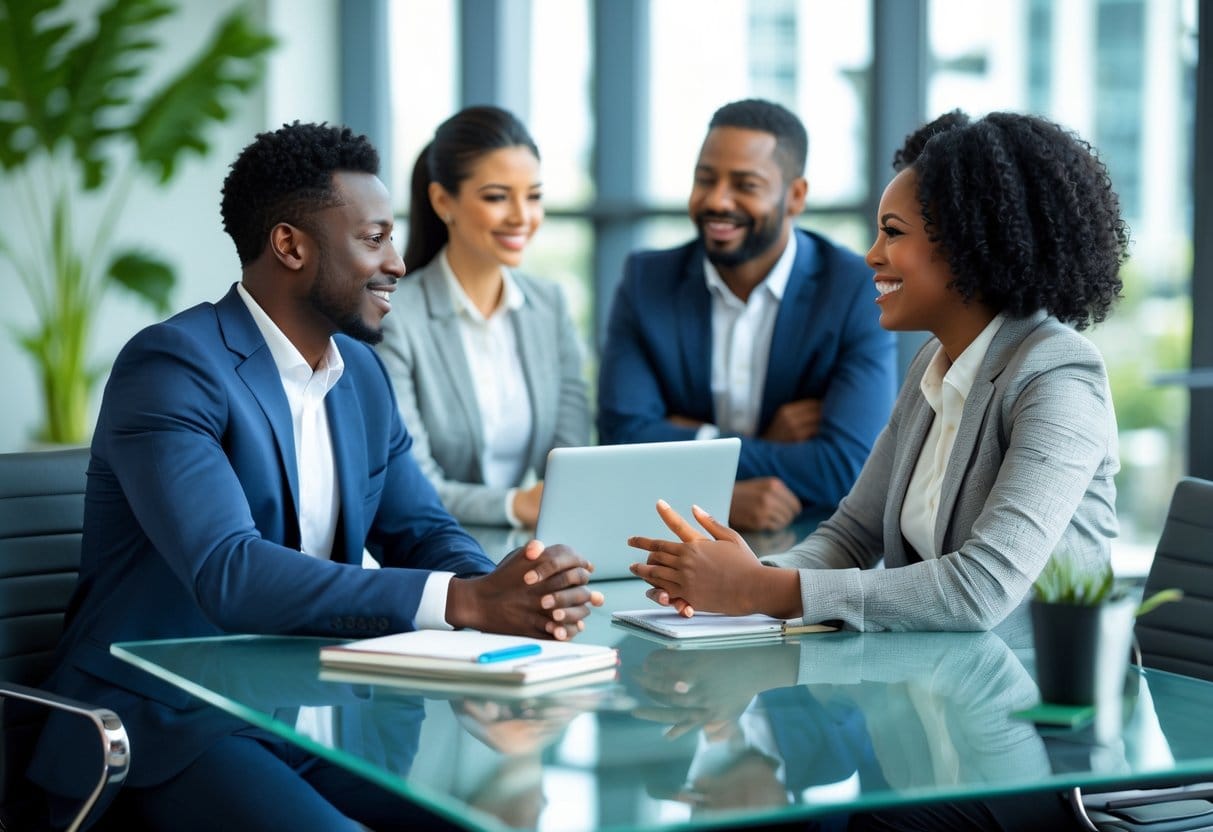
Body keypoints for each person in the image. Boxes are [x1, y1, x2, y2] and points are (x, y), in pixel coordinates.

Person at [27, 121, 603, 831]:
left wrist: (514, 588)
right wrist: (466, 601)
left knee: (480, 821)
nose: (396, 261)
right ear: (290, 246)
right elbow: (230, 572)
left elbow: (421, 531)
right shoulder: (173, 367)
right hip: (163, 721)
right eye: (373, 239)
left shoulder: (359, 374)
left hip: (307, 710)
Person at [629, 109, 1125, 634]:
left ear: (968, 244)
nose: (871, 256)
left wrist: (759, 590)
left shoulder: (1058, 377)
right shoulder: (931, 368)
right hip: (939, 692)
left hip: (1040, 702)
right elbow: (850, 535)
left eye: (892, 233)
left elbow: (981, 588)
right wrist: (741, 581)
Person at [596, 98, 897, 532]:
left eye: (745, 185)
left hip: (812, 551)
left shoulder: (851, 287)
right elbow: (621, 439)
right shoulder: (647, 280)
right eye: (705, 179)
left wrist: (693, 439)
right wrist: (729, 483)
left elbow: (847, 465)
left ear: (795, 196)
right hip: (674, 544)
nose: (718, 200)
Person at [377, 106, 589, 528]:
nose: (522, 216)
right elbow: (410, 484)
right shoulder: (396, 318)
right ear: (443, 201)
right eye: (497, 196)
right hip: (431, 553)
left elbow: (574, 466)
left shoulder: (549, 307)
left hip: (532, 550)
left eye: (533, 196)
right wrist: (514, 505)